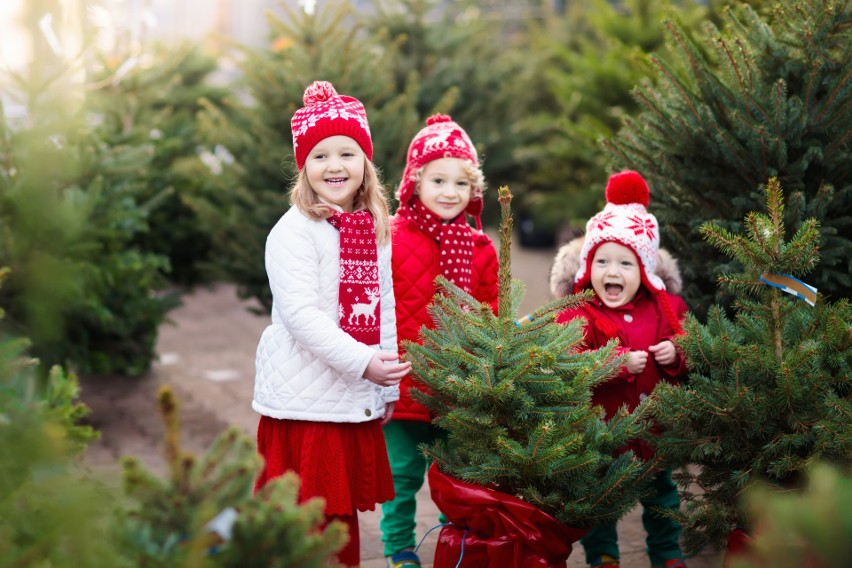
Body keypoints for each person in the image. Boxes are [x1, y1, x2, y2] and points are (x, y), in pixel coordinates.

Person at [252, 80, 411, 568]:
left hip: (349, 397)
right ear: (304, 167)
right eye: (320, 156)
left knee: (340, 520)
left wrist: (383, 388)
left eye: (347, 152)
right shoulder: (295, 232)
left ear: (365, 162)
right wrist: (365, 364)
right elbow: (301, 317)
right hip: (305, 407)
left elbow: (381, 306)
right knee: (300, 519)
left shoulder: (369, 226)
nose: (335, 166)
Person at [550, 170, 689, 568]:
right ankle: (604, 555)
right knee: (600, 501)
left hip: (653, 433)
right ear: (588, 267)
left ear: (644, 270)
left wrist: (675, 354)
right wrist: (615, 364)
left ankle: (667, 554)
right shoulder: (580, 313)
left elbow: (695, 349)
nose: (612, 272)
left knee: (662, 498)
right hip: (603, 434)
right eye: (603, 261)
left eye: (625, 263)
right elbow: (568, 364)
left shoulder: (666, 310)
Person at [380, 114, 499, 568]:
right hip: (406, 384)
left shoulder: (481, 248)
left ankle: (456, 544)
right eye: (438, 180)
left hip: (459, 389)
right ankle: (399, 549)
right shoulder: (389, 237)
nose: (450, 192)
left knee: (458, 476)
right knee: (401, 473)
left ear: (475, 191)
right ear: (414, 183)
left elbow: (492, 316)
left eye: (461, 182)